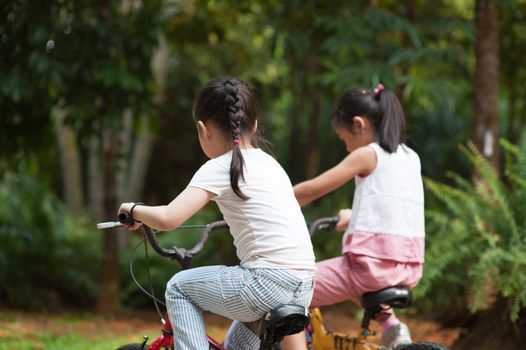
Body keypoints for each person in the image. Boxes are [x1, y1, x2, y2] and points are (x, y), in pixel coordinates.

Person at [118, 77, 316, 350]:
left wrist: (133, 209)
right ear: (254, 125)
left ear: (203, 129)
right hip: (304, 288)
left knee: (178, 288)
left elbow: (168, 219)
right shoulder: (272, 164)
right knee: (233, 345)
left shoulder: (220, 165)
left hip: (265, 284)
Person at [282, 84, 425, 349]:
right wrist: (354, 217)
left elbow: (312, 190)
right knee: (363, 279)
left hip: (370, 269)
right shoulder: (410, 157)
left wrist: (268, 203)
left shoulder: (367, 154)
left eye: (343, 138)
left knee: (286, 290)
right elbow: (393, 209)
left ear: (359, 125)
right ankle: (393, 328)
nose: (347, 147)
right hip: (408, 268)